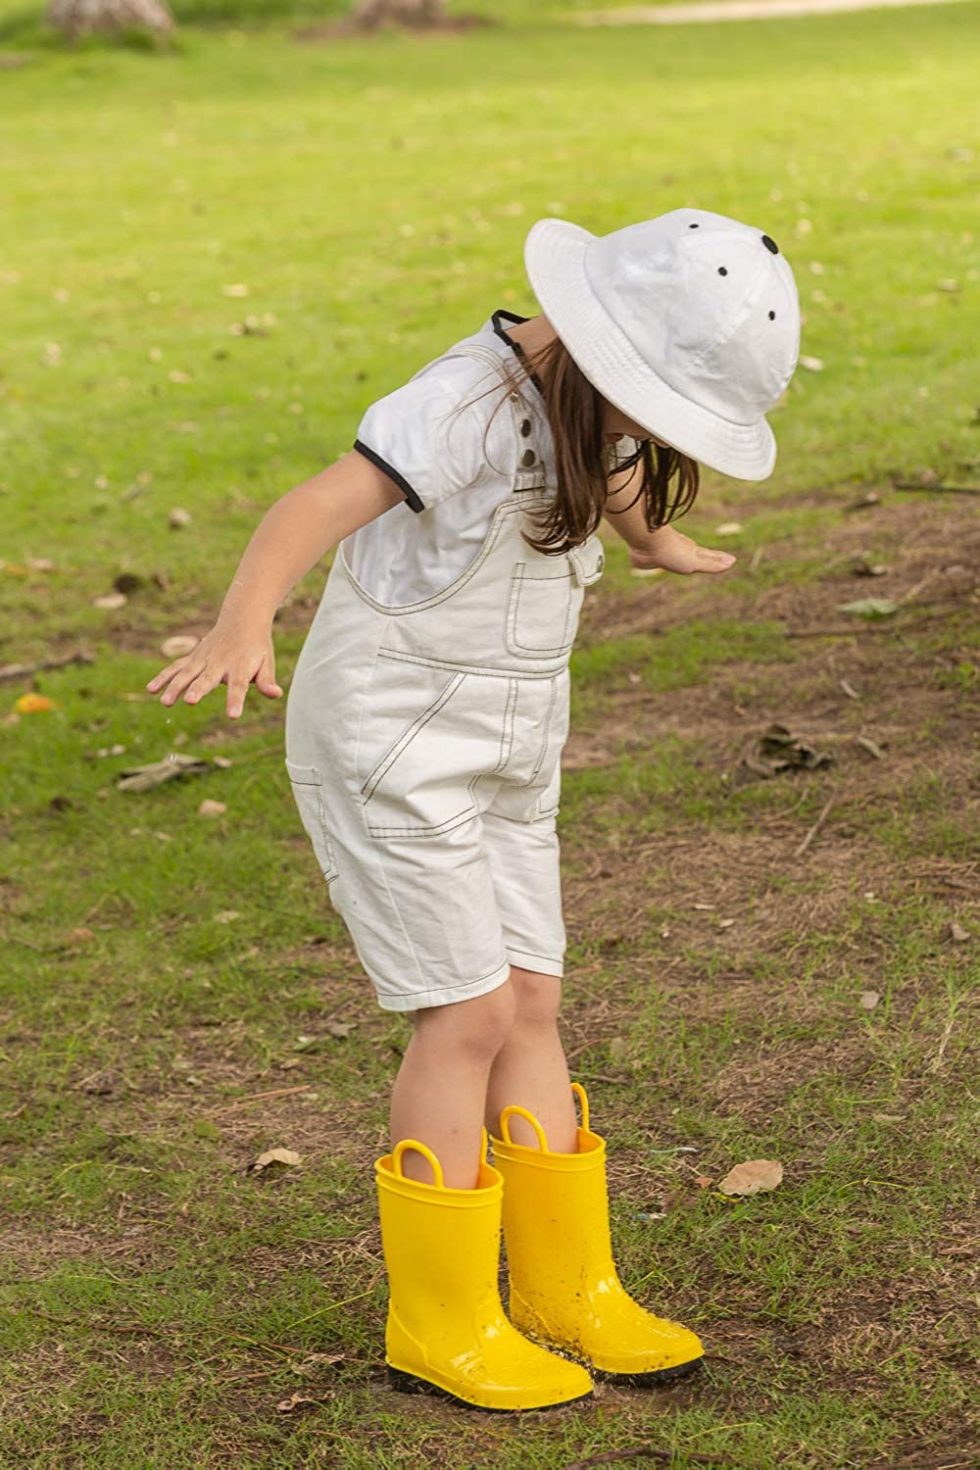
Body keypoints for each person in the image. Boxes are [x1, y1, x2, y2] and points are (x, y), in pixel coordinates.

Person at [147, 208, 800, 1413]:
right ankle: (441, 1317)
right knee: (466, 1011)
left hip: (505, 750)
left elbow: (601, 481)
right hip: (389, 745)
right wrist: (242, 623)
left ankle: (566, 1290)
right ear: (601, 350)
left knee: (533, 1001)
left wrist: (655, 545)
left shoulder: (577, 403)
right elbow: (311, 504)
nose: (643, 434)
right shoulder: (456, 406)